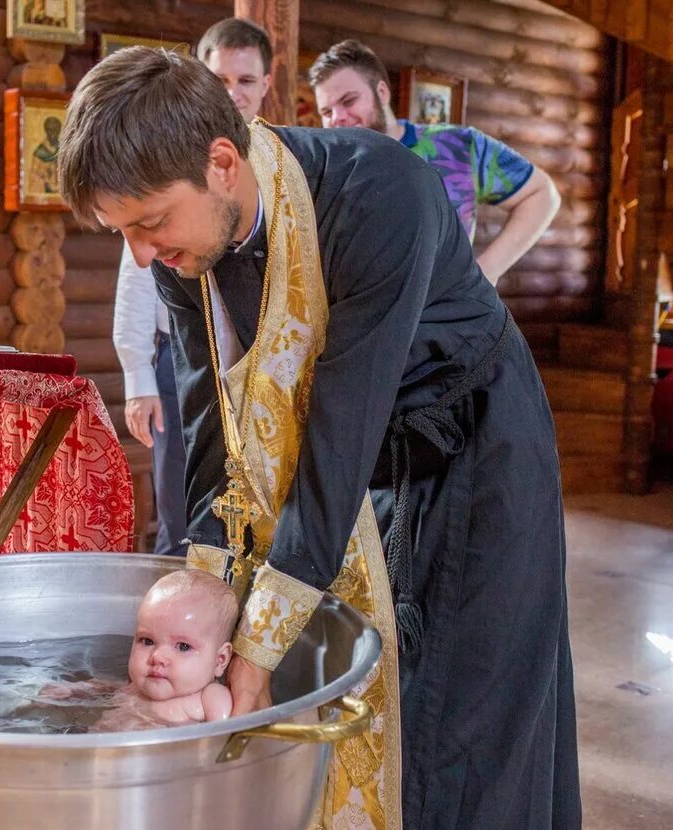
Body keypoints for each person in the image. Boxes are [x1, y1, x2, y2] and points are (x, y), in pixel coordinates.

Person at [59, 48, 579, 829]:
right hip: (365, 454)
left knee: (459, 715)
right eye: (119, 231)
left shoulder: (380, 196)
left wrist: (257, 652)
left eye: (150, 222)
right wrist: (200, 608)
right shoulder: (181, 248)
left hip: (476, 450)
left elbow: (338, 435)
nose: (140, 254)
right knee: (368, 684)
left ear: (222, 162)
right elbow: (213, 429)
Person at [113, 18, 272, 557]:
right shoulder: (166, 158)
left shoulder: (280, 171)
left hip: (260, 357)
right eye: (219, 80)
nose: (233, 94)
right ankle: (176, 601)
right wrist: (138, 376)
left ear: (265, 85)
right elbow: (139, 269)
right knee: (182, 500)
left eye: (245, 81)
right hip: (178, 356)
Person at [310, 39, 561, 286]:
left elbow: (542, 194)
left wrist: (487, 273)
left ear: (382, 92)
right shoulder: (327, 170)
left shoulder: (458, 145)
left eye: (348, 101)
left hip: (443, 320)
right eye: (326, 112)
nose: (337, 118)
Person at [41, 569, 236, 730]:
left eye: (183, 646)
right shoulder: (136, 688)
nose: (157, 656)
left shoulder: (209, 698)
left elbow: (227, 737)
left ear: (219, 661)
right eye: (147, 641)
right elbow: (112, 689)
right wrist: (79, 690)